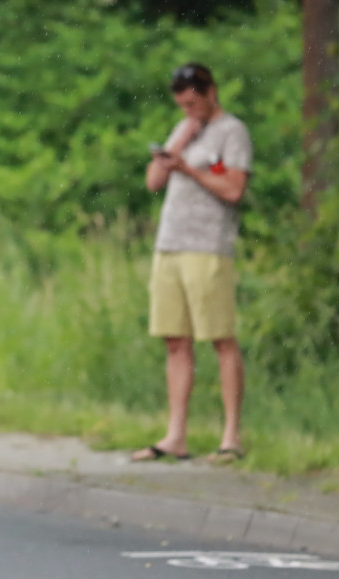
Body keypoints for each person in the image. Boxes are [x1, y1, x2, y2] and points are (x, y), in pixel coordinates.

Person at [132, 63, 252, 464]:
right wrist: (178, 145)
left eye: (192, 102)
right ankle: (175, 435)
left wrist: (189, 170)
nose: (188, 109)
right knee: (174, 340)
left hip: (208, 245)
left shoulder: (231, 132)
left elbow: (233, 189)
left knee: (220, 337)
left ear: (210, 92)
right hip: (171, 244)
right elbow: (153, 182)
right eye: (181, 104)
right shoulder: (184, 129)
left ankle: (231, 435)